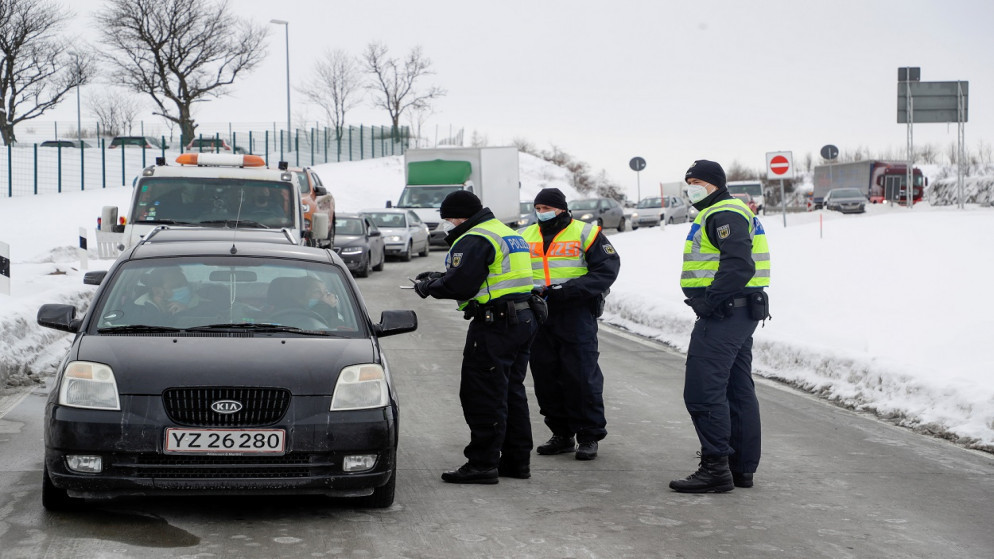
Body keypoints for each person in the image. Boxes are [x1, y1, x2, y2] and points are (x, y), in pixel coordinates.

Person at [412, 190, 539, 484]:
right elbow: (482, 273)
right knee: (511, 391)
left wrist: (430, 287)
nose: (447, 225)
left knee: (483, 393)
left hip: (497, 324)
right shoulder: (506, 233)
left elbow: (462, 284)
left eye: (447, 219)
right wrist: (441, 276)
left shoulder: (475, 237)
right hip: (523, 318)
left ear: (459, 216)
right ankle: (516, 462)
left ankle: (482, 464)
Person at [669, 159, 771, 493]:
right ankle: (739, 468)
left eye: (697, 181)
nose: (691, 187)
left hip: (725, 313)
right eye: (688, 181)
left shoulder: (723, 213)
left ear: (715, 183)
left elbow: (739, 265)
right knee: (736, 389)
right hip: (739, 312)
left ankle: (715, 467)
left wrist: (709, 301)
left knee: (703, 389)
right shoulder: (724, 211)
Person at [518, 188, 620, 461]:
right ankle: (561, 434)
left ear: (561, 209)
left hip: (575, 312)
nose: (541, 213)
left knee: (581, 375)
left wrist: (568, 289)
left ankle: (588, 435)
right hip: (538, 314)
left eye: (546, 208)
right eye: (537, 208)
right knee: (545, 376)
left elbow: (606, 270)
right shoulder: (524, 236)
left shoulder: (586, 233)